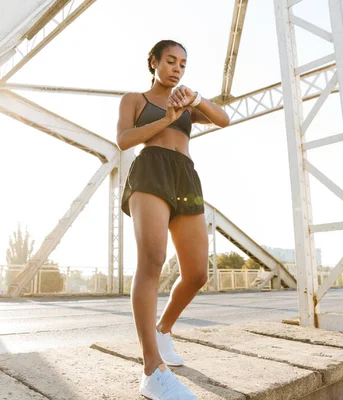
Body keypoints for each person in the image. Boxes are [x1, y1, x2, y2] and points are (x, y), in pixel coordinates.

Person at [116, 39, 230, 400]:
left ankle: (164, 330)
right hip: (150, 170)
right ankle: (152, 368)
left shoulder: (186, 103)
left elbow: (224, 119)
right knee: (152, 260)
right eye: (169, 61)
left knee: (197, 273)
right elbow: (124, 140)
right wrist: (165, 119)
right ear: (153, 62)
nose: (177, 68)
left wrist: (195, 101)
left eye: (182, 63)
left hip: (185, 175)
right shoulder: (135, 99)